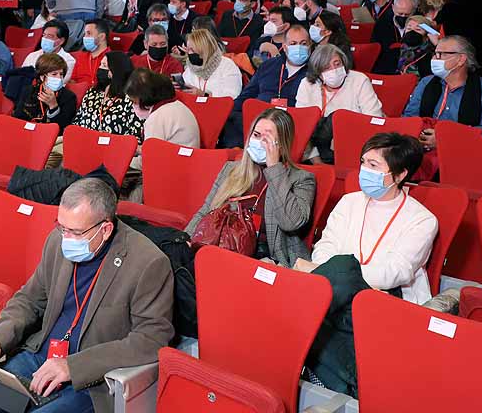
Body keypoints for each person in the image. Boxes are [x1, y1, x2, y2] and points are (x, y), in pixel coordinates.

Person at [0, 178, 174, 413]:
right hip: (38, 359)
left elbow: (151, 339)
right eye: (61, 227)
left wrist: (71, 366)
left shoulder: (148, 263)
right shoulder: (57, 241)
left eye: (74, 231)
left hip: (89, 381)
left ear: (105, 229)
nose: (66, 238)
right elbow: (29, 300)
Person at [292, 132, 438, 304]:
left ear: (400, 175)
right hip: (333, 289)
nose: (365, 170)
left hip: (387, 298)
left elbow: (396, 271)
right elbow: (326, 246)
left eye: (373, 165)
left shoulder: (422, 219)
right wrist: (332, 275)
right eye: (363, 162)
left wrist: (342, 275)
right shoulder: (349, 201)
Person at [186, 108, 317, 264]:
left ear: (281, 145)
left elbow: (291, 223)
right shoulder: (231, 169)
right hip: (221, 246)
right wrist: (186, 239)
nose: (259, 141)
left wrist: (274, 167)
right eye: (256, 135)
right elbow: (206, 210)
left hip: (266, 258)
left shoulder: (302, 179)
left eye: (267, 138)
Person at [402, 36, 482, 151]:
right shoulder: (426, 83)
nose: (435, 59)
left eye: (442, 54)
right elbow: (409, 117)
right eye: (435, 54)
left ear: (461, 59)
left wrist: (446, 138)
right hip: (420, 149)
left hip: (465, 151)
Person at [294, 43, 383, 161]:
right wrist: (317, 162)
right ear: (317, 72)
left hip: (354, 146)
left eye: (337, 64)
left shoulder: (359, 80)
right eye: (326, 67)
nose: (334, 70)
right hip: (314, 150)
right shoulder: (307, 84)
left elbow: (373, 119)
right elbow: (302, 128)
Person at [74, 51, 144, 140]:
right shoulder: (92, 93)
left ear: (117, 70)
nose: (100, 69)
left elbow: (136, 136)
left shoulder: (131, 99)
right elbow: (77, 122)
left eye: (104, 66)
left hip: (115, 148)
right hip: (85, 143)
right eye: (100, 65)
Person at [124, 68, 200, 149]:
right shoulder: (179, 105)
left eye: (135, 101)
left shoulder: (157, 118)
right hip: (186, 158)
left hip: (173, 160)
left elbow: (151, 155)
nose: (134, 105)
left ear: (145, 98)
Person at [14, 52, 78, 129]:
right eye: (54, 74)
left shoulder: (69, 97)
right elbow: (17, 118)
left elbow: (62, 127)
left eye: (61, 74)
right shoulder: (29, 91)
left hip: (53, 137)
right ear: (42, 76)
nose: (59, 78)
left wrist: (53, 106)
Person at [179, 27, 243, 98]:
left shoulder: (227, 66)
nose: (189, 53)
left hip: (218, 107)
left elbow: (231, 97)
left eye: (192, 50)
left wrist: (204, 95)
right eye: (188, 50)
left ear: (204, 50)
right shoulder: (191, 67)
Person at [72, 19, 110, 85]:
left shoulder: (112, 58)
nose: (84, 37)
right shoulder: (81, 56)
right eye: (84, 34)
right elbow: (73, 80)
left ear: (102, 37)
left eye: (88, 33)